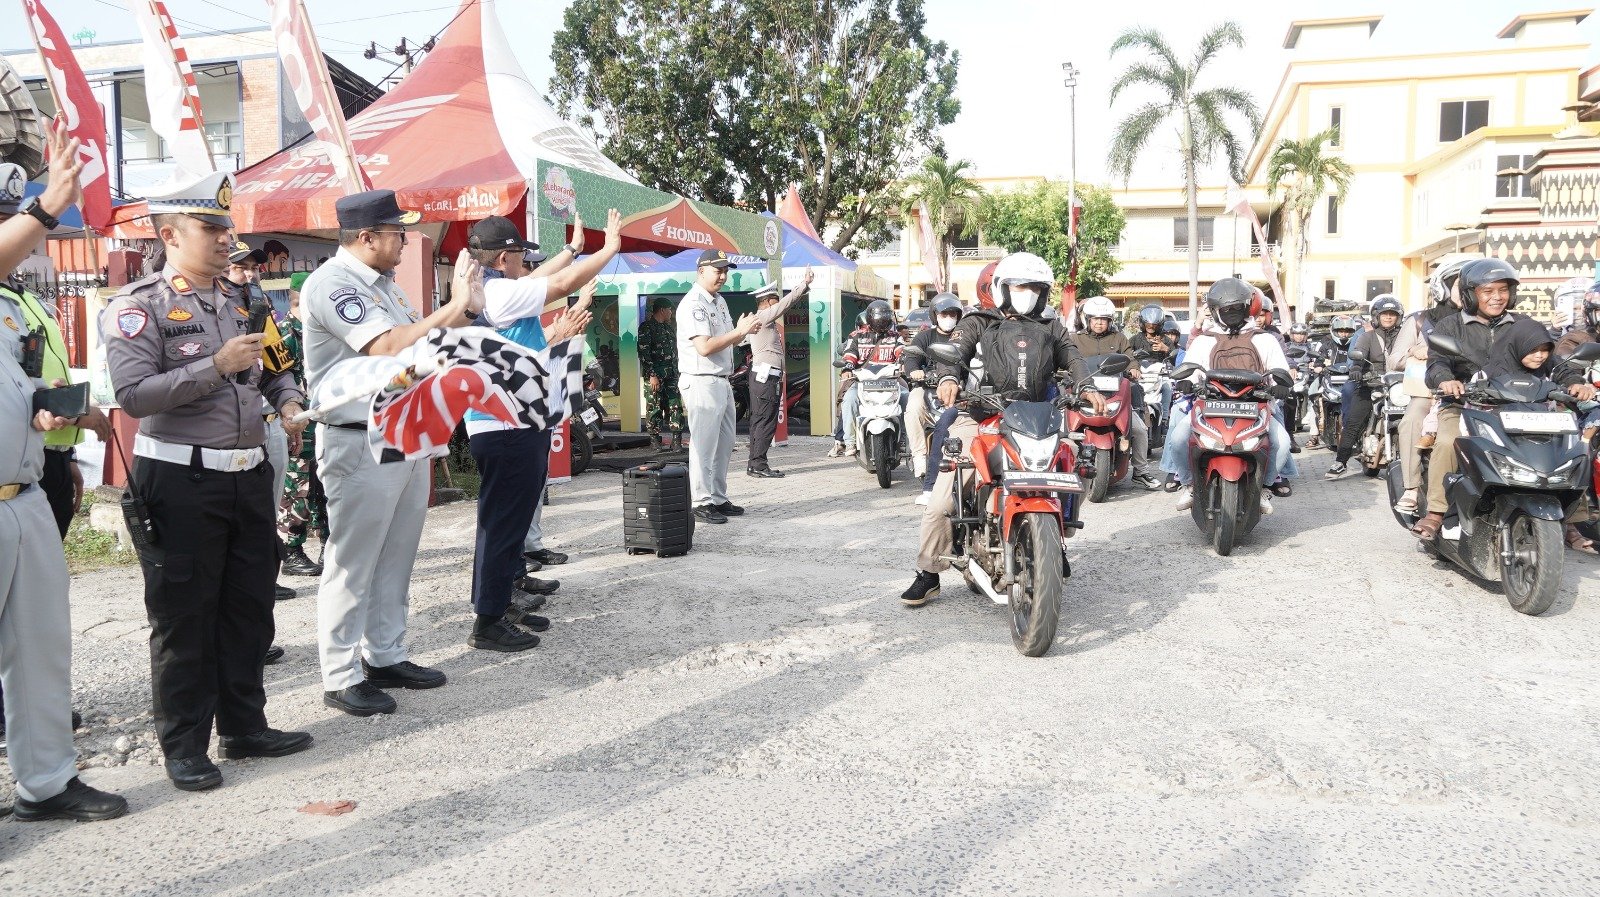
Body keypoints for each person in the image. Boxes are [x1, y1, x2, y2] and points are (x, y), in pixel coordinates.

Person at [101, 171, 313, 792]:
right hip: (180, 478)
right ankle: (185, 746)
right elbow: (134, 396)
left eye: (228, 227)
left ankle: (245, 725)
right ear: (170, 235)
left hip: (248, 475)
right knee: (185, 617)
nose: (226, 239)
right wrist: (215, 366)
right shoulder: (138, 307)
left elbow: (275, 368)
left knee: (249, 607)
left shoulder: (244, 299)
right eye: (210, 227)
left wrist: (290, 401)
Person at [303, 189, 481, 717]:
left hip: (403, 432)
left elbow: (421, 341)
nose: (405, 241)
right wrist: (451, 307)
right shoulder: (333, 284)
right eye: (397, 233)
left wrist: (468, 309)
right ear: (366, 237)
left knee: (397, 554)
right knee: (353, 560)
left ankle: (385, 654)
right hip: (358, 436)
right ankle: (340, 674)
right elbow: (384, 345)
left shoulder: (385, 286)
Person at [0, 119, 127, 821]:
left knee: (41, 648)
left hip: (23, 496)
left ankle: (45, 782)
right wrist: (48, 203)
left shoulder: (10, 306)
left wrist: (47, 410)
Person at [899, 252, 1106, 607]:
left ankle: (1053, 540)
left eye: (1034, 288)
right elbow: (956, 351)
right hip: (980, 417)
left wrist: (1087, 386)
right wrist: (948, 377)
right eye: (1019, 287)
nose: (1027, 294)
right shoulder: (978, 321)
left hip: (1036, 419)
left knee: (1075, 464)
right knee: (943, 499)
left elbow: (1073, 357)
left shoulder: (1051, 326)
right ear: (1001, 289)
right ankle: (929, 573)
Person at [462, 211, 617, 652]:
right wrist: (609, 250)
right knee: (502, 525)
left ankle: (502, 604)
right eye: (521, 256)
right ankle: (488, 621)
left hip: (509, 420)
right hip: (506, 424)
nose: (527, 264)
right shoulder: (498, 292)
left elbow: (544, 276)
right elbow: (559, 284)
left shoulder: (492, 287)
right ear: (505, 258)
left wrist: (572, 250)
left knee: (508, 523)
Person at [1413, 259, 1597, 540]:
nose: (1497, 297)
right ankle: (1436, 512)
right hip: (1466, 404)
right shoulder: (1451, 325)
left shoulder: (1523, 324)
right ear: (1470, 294)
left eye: (1503, 290)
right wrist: (1446, 381)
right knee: (1449, 441)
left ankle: (1571, 519)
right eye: (1488, 291)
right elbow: (1437, 363)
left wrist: (1574, 382)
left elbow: (1553, 363)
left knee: (1568, 445)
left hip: (1522, 405)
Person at [1159, 278, 1295, 515]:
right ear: (1215, 311)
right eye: (1226, 309)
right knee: (1178, 439)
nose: (1232, 313)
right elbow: (1191, 368)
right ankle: (1189, 484)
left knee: (1282, 443)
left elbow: (1279, 370)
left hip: (1255, 406)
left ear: (1247, 307)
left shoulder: (1264, 339)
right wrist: (1186, 382)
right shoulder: (1204, 340)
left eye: (1237, 308)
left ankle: (1264, 487)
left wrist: (1281, 385)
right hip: (1209, 405)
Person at [677, 249, 760, 524]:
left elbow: (727, 339)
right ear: (701, 271)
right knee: (703, 445)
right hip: (701, 380)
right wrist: (739, 331)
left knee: (725, 443)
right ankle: (701, 502)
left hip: (722, 379)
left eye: (725, 271)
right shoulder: (693, 303)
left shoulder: (719, 301)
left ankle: (717, 497)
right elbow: (704, 347)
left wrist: (743, 332)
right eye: (718, 271)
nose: (723, 276)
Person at [1389, 261, 1468, 513]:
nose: (1467, 290)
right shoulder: (1420, 320)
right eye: (1460, 285)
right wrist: (1416, 351)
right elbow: (1394, 359)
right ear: (1442, 288)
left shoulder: (1479, 319)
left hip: (1473, 391)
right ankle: (1411, 487)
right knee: (1411, 421)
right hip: (1430, 391)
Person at [1070, 296, 1159, 490]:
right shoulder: (1075, 339)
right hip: (1083, 396)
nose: (1099, 322)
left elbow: (1130, 357)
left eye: (1104, 319)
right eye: (1095, 318)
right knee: (1060, 430)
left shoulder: (1119, 338)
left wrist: (1134, 368)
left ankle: (1141, 471)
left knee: (1139, 430)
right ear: (1087, 319)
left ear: (1110, 320)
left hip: (1114, 396)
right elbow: (1066, 359)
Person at [277, 270, 329, 577]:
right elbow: (280, 379)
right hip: (298, 421)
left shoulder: (317, 329)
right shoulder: (286, 332)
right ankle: (292, 551)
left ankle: (327, 544)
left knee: (324, 485)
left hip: (322, 419)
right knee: (298, 486)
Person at [1327, 295, 1405, 478]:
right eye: (1384, 314)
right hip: (1371, 384)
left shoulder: (1404, 337)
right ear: (1376, 316)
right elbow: (1358, 353)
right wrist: (1356, 368)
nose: (1388, 317)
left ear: (1398, 317)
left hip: (1398, 386)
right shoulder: (1367, 336)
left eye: (1392, 314)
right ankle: (1340, 462)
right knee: (1354, 421)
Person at [745, 269, 813, 478]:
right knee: (766, 420)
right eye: (775, 301)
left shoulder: (762, 320)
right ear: (767, 302)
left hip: (764, 376)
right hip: (766, 377)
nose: (778, 305)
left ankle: (755, 463)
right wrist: (804, 285)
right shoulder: (764, 316)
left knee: (760, 420)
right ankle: (759, 464)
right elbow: (786, 304)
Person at [905, 293, 962, 486]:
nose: (949, 318)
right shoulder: (925, 337)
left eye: (953, 314)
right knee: (913, 407)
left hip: (959, 392)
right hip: (926, 388)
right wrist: (914, 371)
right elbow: (912, 358)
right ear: (935, 315)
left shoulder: (964, 337)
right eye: (944, 314)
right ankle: (919, 457)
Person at [837, 299, 906, 458]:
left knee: (907, 397)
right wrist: (847, 368)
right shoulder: (857, 336)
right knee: (849, 400)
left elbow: (902, 352)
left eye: (884, 318)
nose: (881, 322)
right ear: (869, 318)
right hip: (862, 381)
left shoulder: (895, 336)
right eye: (878, 319)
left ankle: (904, 438)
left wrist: (904, 362)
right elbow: (850, 354)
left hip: (890, 381)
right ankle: (849, 441)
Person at [639, 297, 686, 453]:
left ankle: (676, 441)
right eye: (669, 310)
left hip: (671, 374)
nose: (671, 313)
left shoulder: (668, 328)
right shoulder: (647, 328)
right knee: (654, 407)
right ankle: (655, 440)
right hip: (655, 376)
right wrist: (652, 375)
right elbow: (644, 353)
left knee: (675, 405)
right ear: (662, 310)